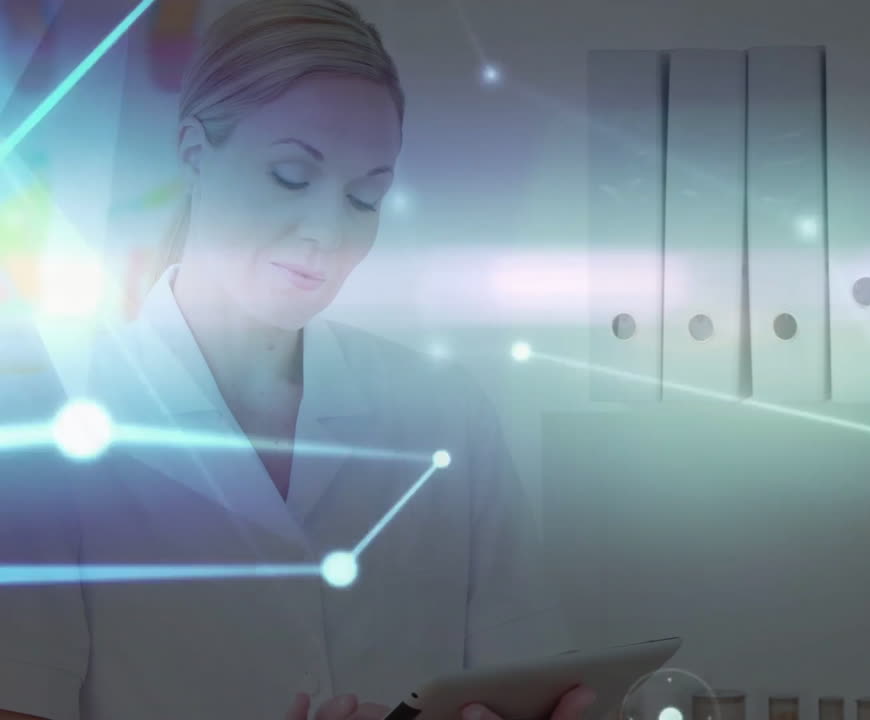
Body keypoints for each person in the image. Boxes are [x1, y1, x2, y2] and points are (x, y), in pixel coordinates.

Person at [0, 1, 596, 718]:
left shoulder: (445, 412)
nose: (326, 231)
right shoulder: (47, 412)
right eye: (290, 175)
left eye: (364, 196)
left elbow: (525, 686)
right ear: (194, 151)